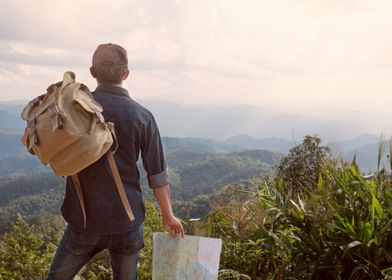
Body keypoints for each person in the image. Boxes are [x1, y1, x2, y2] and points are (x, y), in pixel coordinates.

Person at [23, 43, 184, 280]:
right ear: (126, 74)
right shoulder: (142, 116)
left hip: (85, 222)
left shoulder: (71, 109)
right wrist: (167, 215)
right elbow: (157, 174)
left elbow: (30, 142)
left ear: (92, 72)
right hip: (127, 223)